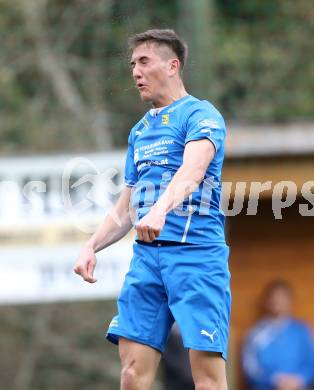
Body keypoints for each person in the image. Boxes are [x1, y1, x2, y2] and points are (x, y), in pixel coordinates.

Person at [74, 29, 231, 390]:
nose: (135, 72)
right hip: (147, 260)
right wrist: (91, 245)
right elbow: (127, 204)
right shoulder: (140, 131)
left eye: (144, 62)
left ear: (173, 66)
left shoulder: (200, 114)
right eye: (132, 64)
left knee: (206, 379)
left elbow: (193, 169)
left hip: (196, 257)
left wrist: (160, 209)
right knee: (131, 374)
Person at [242, 280, 314, 390]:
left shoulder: (302, 331)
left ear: (290, 301)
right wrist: (274, 380)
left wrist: (300, 379)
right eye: (274, 297)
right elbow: (250, 368)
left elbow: (310, 362)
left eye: (282, 297)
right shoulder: (255, 334)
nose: (277, 301)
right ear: (266, 302)